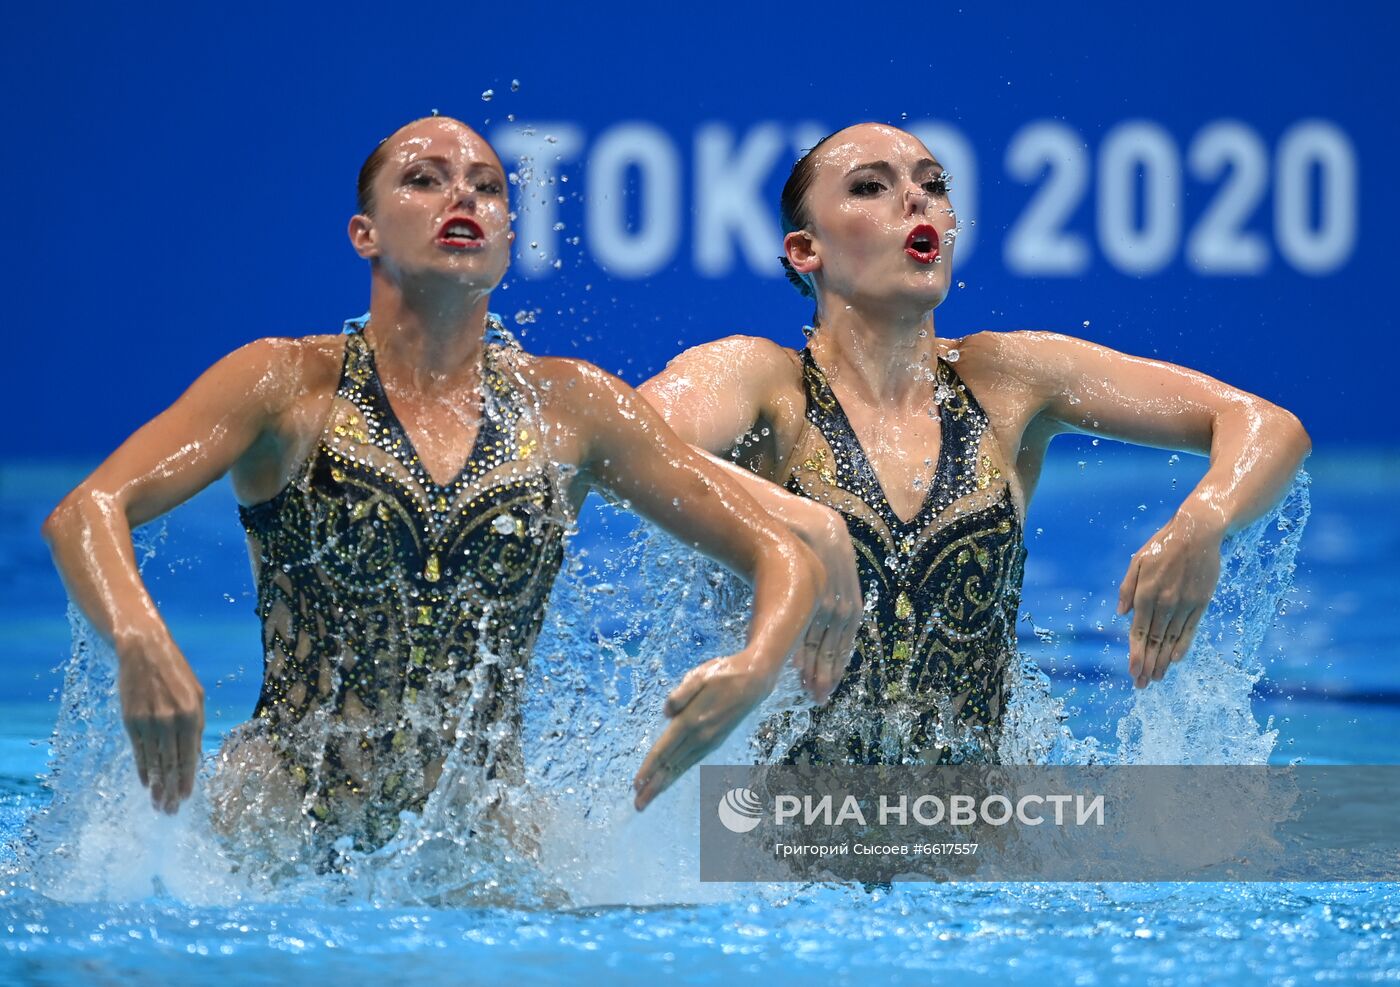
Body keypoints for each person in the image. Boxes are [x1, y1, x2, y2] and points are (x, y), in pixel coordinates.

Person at [40, 116, 832, 855]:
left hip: (482, 844)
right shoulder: (284, 384)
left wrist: (755, 665)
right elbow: (87, 510)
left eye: (487, 186)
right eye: (425, 179)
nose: (464, 197)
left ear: (508, 237)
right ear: (366, 233)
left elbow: (780, 553)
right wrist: (142, 641)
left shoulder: (571, 406)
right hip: (278, 836)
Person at [639, 123, 1312, 766]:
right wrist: (795, 515)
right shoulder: (764, 383)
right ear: (805, 251)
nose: (915, 199)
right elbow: (620, 439)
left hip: (975, 849)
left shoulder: (1006, 381)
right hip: (787, 851)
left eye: (933, 183)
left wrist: (1204, 519)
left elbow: (1266, 424)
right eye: (870, 187)